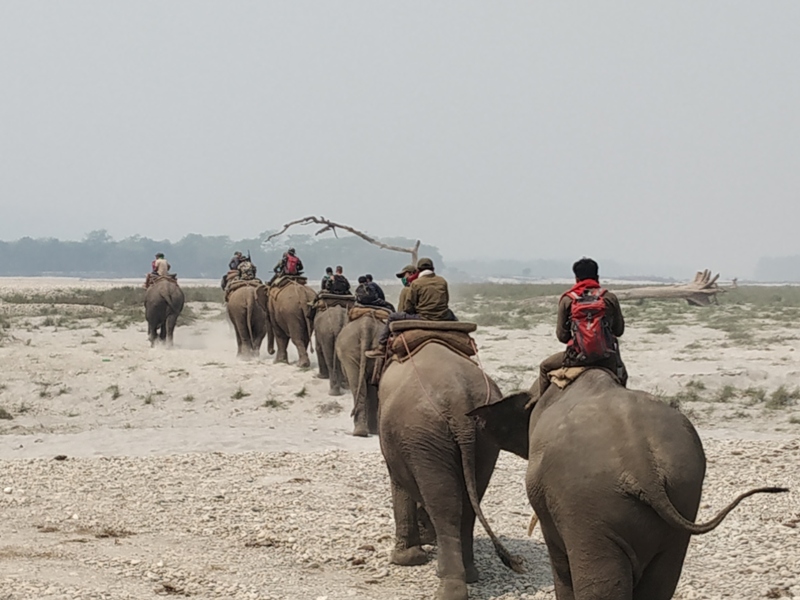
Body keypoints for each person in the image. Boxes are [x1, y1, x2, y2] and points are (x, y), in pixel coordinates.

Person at [538, 257, 626, 397]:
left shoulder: (568, 299)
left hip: (575, 358)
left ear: (576, 278)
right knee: (623, 377)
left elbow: (562, 336)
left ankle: (539, 410)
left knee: (544, 367)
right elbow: (619, 331)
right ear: (597, 276)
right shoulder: (609, 298)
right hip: (607, 358)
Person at [366, 258, 454, 357]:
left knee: (392, 317)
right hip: (443, 316)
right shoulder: (442, 281)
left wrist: (412, 312)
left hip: (423, 317)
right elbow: (446, 299)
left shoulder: (416, 284)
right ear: (433, 268)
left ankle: (381, 346)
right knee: (452, 315)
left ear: (418, 270)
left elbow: (408, 306)